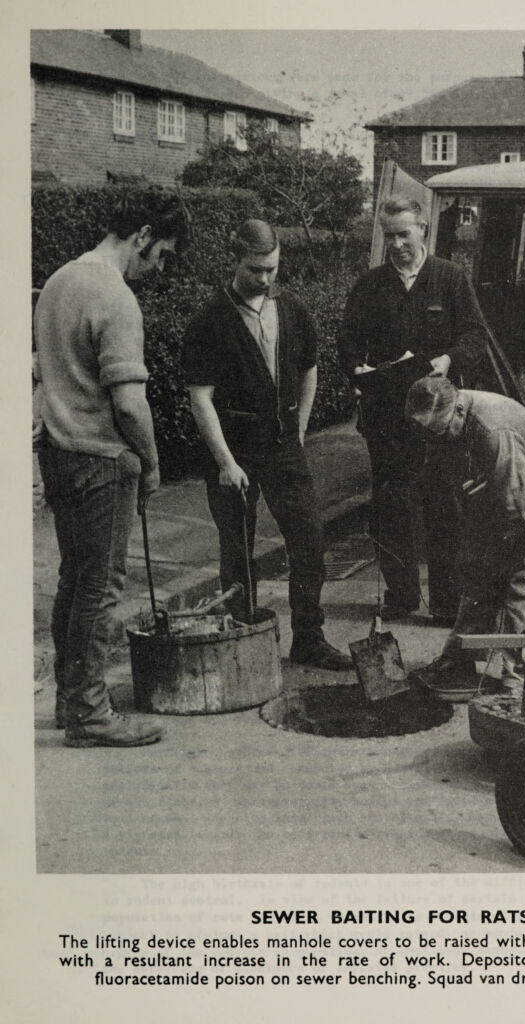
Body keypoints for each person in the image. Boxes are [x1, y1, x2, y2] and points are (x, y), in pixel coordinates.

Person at [34, 189, 191, 746]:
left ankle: (70, 699)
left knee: (75, 581)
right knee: (100, 589)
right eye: (162, 254)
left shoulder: (57, 281)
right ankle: (91, 715)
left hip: (57, 453)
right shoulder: (115, 296)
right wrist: (151, 463)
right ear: (143, 235)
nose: (159, 268)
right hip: (100, 461)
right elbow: (128, 402)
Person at [182, 218, 351, 670]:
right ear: (234, 260)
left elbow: (310, 368)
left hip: (282, 447)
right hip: (233, 453)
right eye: (256, 269)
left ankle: (309, 639)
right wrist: (225, 462)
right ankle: (242, 640)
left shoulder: (292, 310)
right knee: (238, 549)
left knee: (310, 541)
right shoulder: (209, 320)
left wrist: (300, 429)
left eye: (272, 269)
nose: (265, 278)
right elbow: (201, 399)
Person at [338, 196, 490, 625]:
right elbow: (347, 343)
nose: (398, 244)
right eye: (390, 236)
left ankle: (445, 602)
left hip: (440, 420)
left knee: (444, 507)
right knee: (392, 509)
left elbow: (476, 336)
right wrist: (358, 370)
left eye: (405, 233)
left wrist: (449, 360)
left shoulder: (450, 278)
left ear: (423, 228)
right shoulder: (370, 286)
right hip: (387, 418)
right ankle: (401, 595)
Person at [403, 377, 525, 695]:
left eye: (439, 431)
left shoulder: (494, 431)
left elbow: (516, 504)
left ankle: (520, 678)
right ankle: (459, 658)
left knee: (523, 581)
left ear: (458, 411)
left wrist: (509, 549)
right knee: (476, 571)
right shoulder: (440, 419)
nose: (433, 438)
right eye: (427, 432)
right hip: (489, 486)